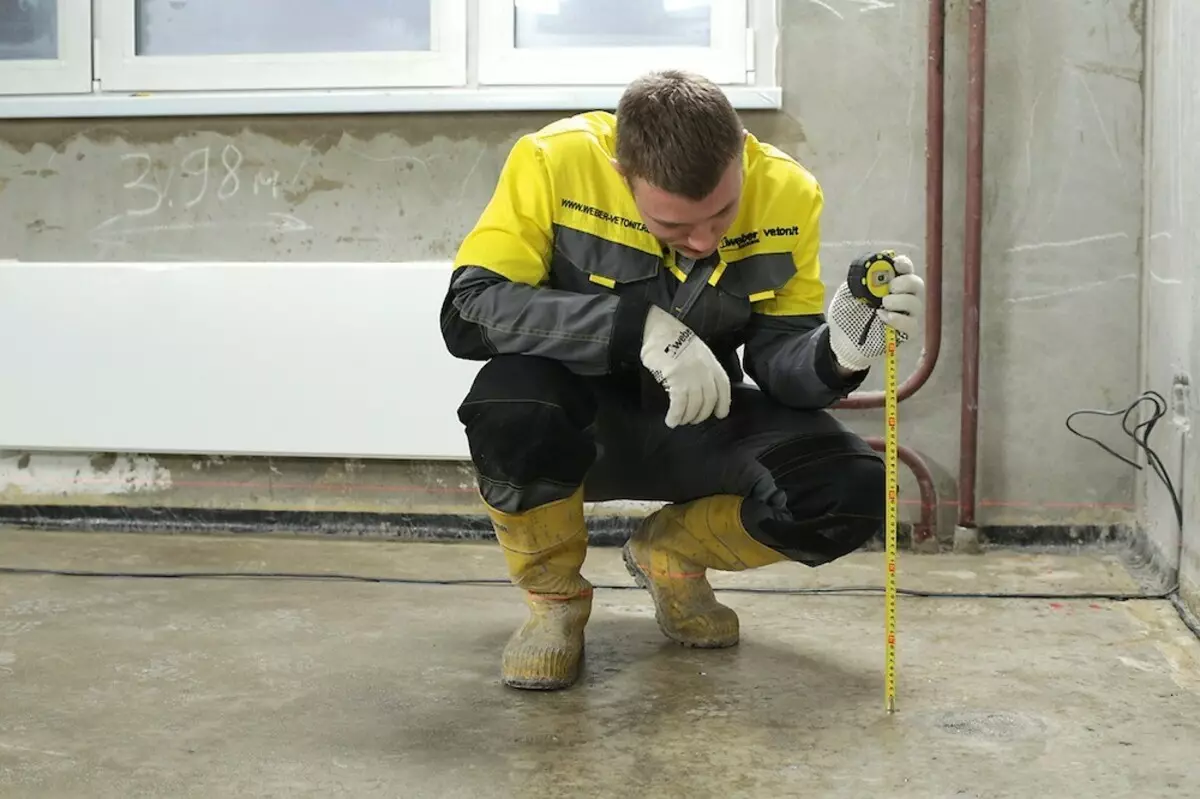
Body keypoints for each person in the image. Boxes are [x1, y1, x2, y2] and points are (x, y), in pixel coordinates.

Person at [439, 69, 924, 690]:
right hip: (575, 426)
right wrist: (639, 328)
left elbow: (780, 371)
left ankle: (671, 559)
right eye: (673, 226)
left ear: (740, 155)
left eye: (721, 214)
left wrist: (841, 351)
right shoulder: (552, 162)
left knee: (851, 488)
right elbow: (470, 312)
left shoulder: (787, 192)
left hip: (698, 420)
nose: (701, 241)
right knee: (510, 404)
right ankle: (554, 606)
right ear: (621, 173)